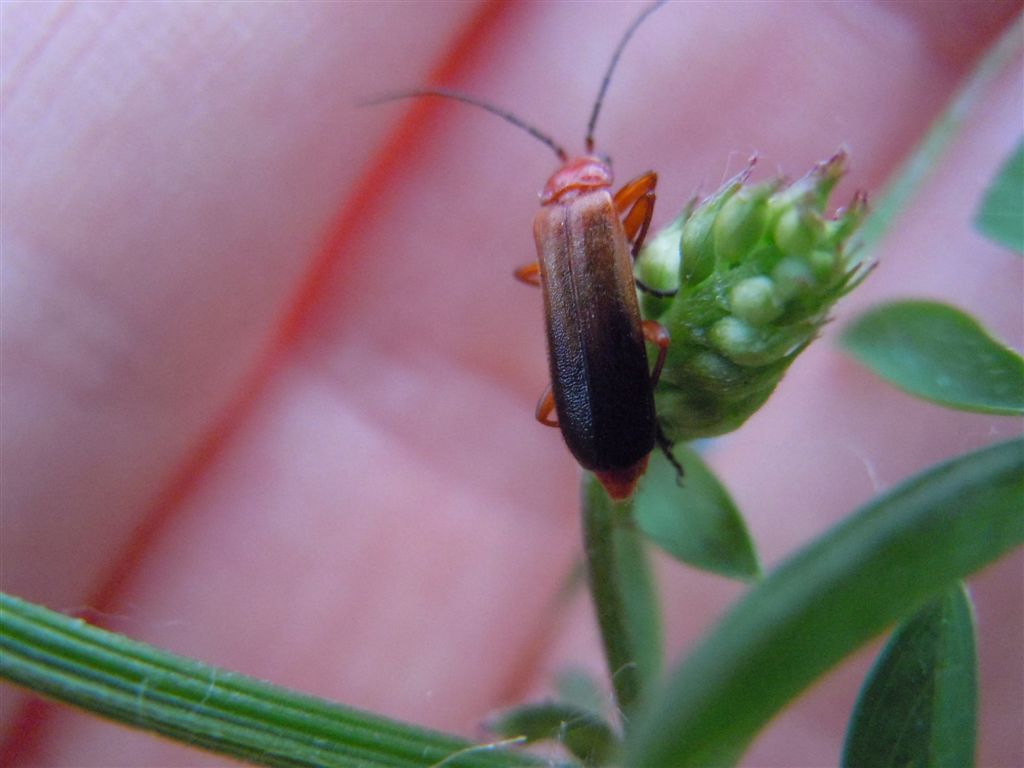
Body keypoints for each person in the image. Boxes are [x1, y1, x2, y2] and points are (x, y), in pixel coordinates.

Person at [2, 2, 1020, 765]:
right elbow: (623, 278)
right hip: (610, 416)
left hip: (598, 419)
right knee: (624, 348)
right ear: (585, 192)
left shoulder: (558, 233)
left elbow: (597, 297)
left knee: (610, 359)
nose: (589, 185)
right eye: (587, 178)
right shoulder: (586, 227)